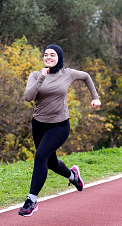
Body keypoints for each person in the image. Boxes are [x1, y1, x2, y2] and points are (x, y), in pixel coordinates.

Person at [18, 44, 101, 216]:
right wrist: (42, 78)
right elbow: (28, 97)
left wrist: (95, 97)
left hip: (59, 125)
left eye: (52, 55)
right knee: (50, 162)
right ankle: (73, 177)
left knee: (40, 157)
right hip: (39, 125)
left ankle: (31, 200)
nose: (48, 57)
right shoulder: (35, 75)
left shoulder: (68, 74)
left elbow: (86, 76)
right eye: (46, 55)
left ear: (59, 58)